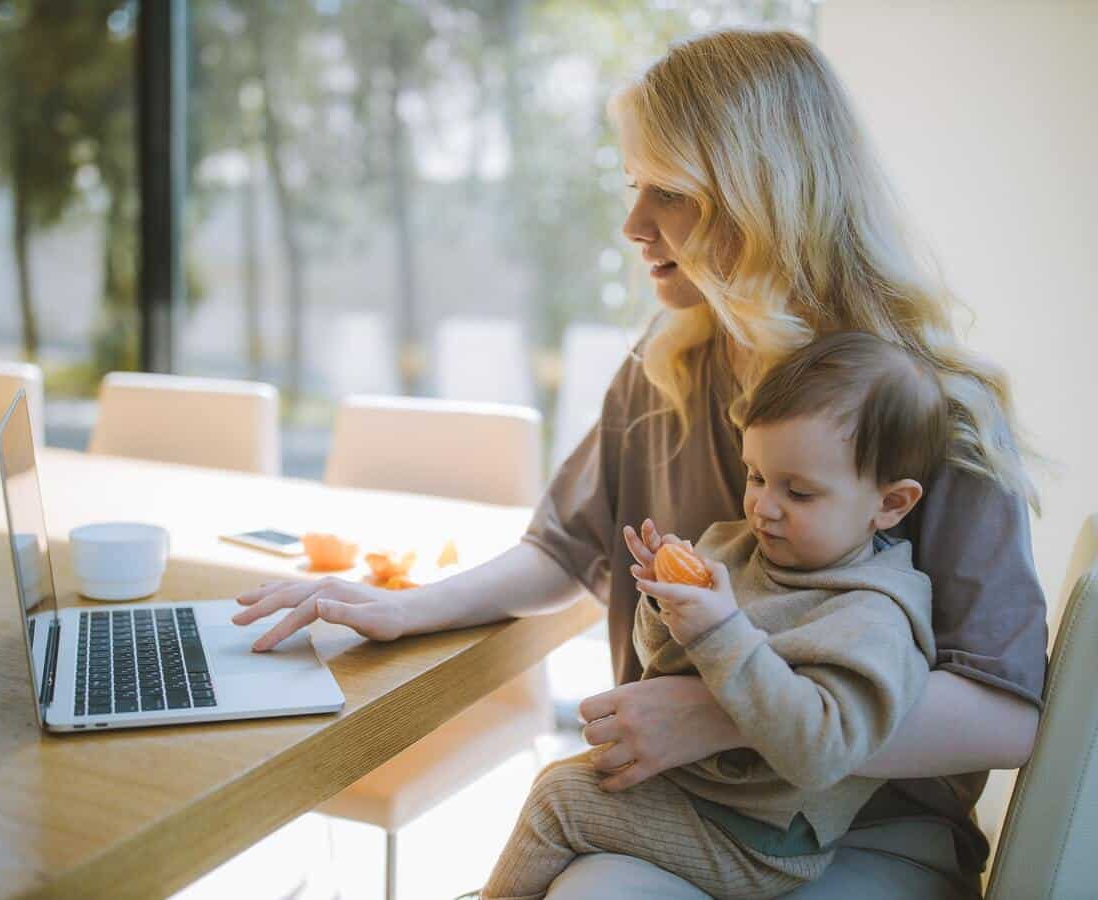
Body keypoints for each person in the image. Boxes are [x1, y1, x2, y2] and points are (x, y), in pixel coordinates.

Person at [232, 29, 1046, 898]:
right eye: (632, 187)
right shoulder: (668, 364)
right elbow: (564, 549)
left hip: (869, 832)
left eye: (672, 193)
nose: (633, 226)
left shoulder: (932, 410)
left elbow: (1004, 717)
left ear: (763, 196)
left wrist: (723, 713)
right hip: (690, 801)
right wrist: (408, 607)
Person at [480, 331, 946, 899]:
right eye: (756, 476)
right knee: (566, 784)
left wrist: (721, 632)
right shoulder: (737, 547)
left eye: (798, 492)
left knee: (559, 802)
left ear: (891, 504)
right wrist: (665, 603)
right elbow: (665, 666)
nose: (762, 507)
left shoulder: (874, 615)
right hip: (697, 794)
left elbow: (821, 751)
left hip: (759, 840)